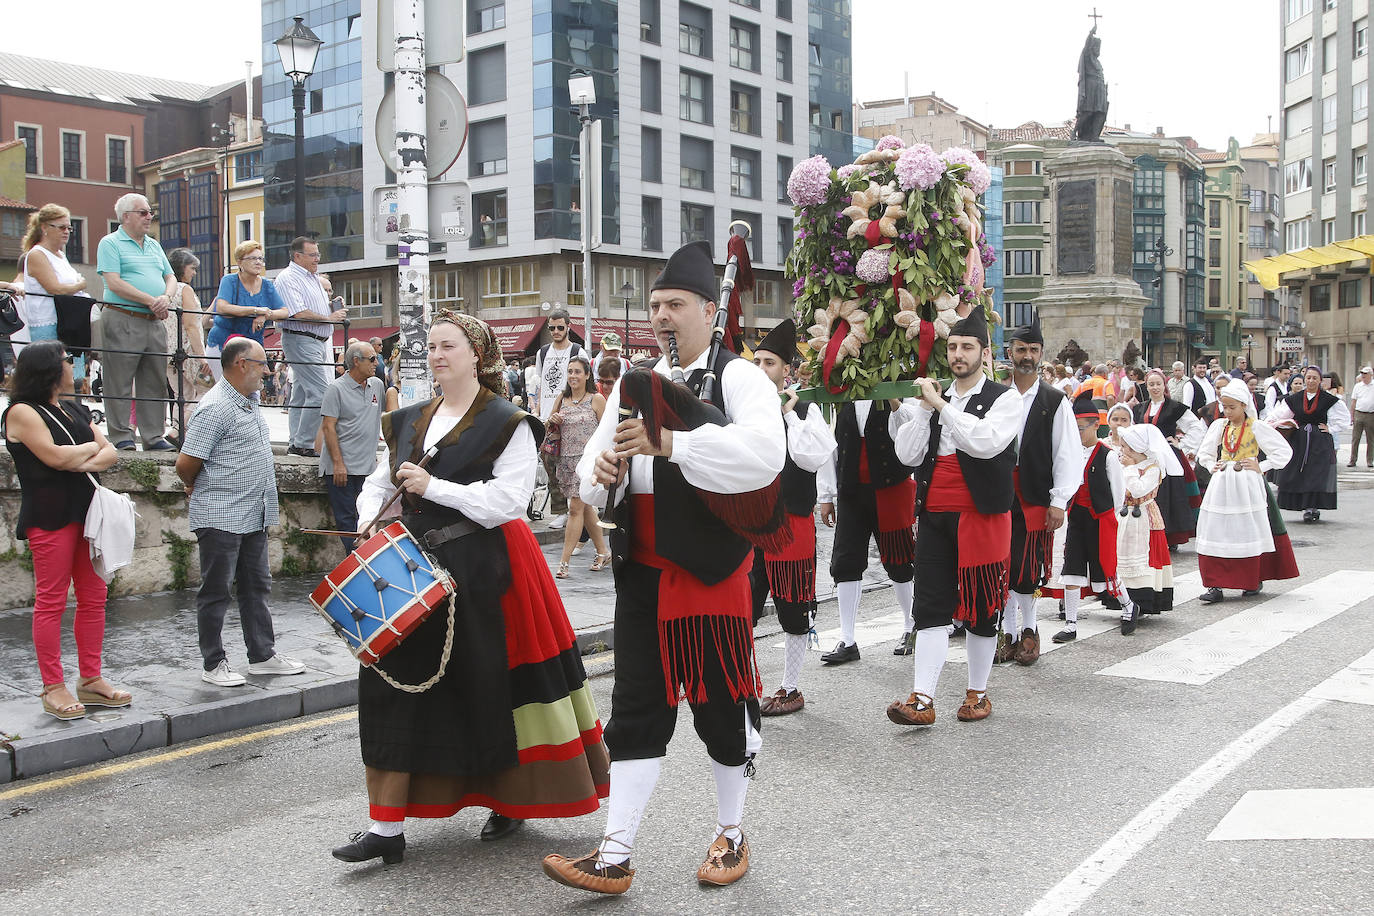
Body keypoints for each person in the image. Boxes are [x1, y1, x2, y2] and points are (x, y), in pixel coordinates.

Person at [542, 240, 784, 894]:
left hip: (708, 571)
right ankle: (615, 854)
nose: (661, 316)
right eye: (654, 305)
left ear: (710, 309)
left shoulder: (737, 377)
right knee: (638, 708)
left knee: (718, 708)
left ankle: (732, 833)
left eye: (675, 304)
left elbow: (764, 457)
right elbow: (592, 479)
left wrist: (671, 442)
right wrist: (600, 476)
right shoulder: (632, 381)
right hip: (642, 572)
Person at [336, 310, 608, 864]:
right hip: (408, 569)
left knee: (488, 690)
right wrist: (370, 518)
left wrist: (436, 485)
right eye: (431, 346)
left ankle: (507, 801)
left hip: (481, 569)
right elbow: (376, 480)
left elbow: (510, 503)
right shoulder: (408, 417)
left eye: (449, 346)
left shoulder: (508, 421)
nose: (437, 355)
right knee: (390, 687)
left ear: (477, 355)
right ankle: (385, 828)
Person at [884, 313, 1019, 727]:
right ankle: (922, 699)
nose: (958, 355)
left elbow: (985, 443)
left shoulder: (1004, 398)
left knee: (980, 607)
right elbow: (906, 455)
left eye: (967, 347)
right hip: (935, 513)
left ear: (984, 352)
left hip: (980, 515)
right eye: (953, 347)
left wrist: (941, 404)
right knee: (931, 606)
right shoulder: (934, 400)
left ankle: (977, 693)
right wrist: (924, 411)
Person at [2, 340, 127, 719]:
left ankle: (90, 680)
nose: (72, 365)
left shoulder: (74, 408)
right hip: (49, 515)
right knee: (51, 602)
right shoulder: (22, 412)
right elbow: (52, 457)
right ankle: (52, 686)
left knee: (93, 597)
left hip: (86, 513)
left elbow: (111, 452)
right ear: (49, 368)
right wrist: (85, 455)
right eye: (66, 360)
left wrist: (76, 460)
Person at [175, 336, 307, 687]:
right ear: (241, 364)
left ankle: (262, 655)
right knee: (216, 590)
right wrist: (199, 486)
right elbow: (186, 464)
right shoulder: (215, 406)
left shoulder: (249, 403)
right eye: (261, 363)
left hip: (253, 513)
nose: (267, 371)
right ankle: (213, 663)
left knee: (256, 586)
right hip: (221, 513)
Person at [748, 320, 835, 714]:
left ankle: (790, 686)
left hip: (790, 525)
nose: (761, 368)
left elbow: (813, 456)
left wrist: (788, 415)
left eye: (769, 363)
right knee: (741, 609)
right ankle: (744, 682)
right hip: (750, 526)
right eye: (758, 361)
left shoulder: (808, 407)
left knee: (793, 608)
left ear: (787, 370)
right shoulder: (744, 410)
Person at [996, 318, 1080, 667]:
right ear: (1010, 352)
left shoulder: (1054, 400)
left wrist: (1059, 500)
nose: (1026, 356)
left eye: (1033, 350)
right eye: (1021, 349)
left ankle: (1029, 630)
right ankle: (1009, 632)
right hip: (997, 493)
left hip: (1033, 494)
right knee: (999, 565)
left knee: (1026, 567)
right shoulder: (996, 393)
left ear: (1041, 354)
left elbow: (1066, 452)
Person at [820, 393, 917, 663]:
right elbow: (834, 447)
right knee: (845, 561)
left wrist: (895, 401)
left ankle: (911, 627)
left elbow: (908, 435)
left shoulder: (899, 391)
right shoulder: (844, 399)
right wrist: (826, 496)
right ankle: (848, 640)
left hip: (891, 488)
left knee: (899, 560)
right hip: (851, 490)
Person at [1195, 379, 1298, 603]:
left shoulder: (1256, 426)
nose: (1228, 411)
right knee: (1216, 529)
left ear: (1244, 405)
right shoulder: (1219, 426)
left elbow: (1283, 452)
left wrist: (1261, 466)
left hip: (1246, 485)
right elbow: (1204, 451)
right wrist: (1211, 463)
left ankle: (1251, 578)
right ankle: (1215, 584)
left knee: (1245, 529)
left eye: (1232, 407)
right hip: (1222, 483)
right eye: (1225, 406)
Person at [96, 193, 177, 452]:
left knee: (154, 379)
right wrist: (151, 300)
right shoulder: (110, 243)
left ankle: (153, 435)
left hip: (153, 319)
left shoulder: (154, 245)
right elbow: (114, 282)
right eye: (143, 212)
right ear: (126, 216)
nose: (149, 216)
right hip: (123, 316)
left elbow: (170, 276)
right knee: (118, 379)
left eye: (150, 212)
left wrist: (165, 297)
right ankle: (121, 435)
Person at [1053, 393, 1131, 641]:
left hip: (1100, 518)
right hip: (1077, 517)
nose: (1077, 433)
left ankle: (1129, 606)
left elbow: (1118, 492)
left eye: (1081, 428)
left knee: (1107, 568)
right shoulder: (1072, 453)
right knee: (1072, 568)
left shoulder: (1107, 455)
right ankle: (1071, 623)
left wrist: (1111, 516)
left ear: (1096, 425)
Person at [275, 237, 347, 458]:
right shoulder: (288, 278)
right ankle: (303, 443)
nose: (317, 259)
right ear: (298, 256)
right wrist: (329, 316)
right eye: (313, 255)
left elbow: (311, 309)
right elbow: (298, 312)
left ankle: (296, 442)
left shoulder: (313, 278)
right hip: (301, 338)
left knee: (301, 393)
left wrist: (331, 307)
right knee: (320, 393)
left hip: (314, 340)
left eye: (318, 254)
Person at [547, 353, 610, 576]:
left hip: (588, 462)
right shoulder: (561, 399)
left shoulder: (596, 399)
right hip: (566, 460)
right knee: (586, 508)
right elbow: (549, 427)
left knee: (575, 508)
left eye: (577, 372)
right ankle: (603, 551)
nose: (573, 376)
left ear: (587, 375)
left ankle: (564, 562)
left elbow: (606, 431)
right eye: (570, 372)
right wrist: (552, 420)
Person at [319, 341, 385, 554]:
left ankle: (364, 561)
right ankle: (358, 562)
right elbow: (328, 427)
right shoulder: (335, 389)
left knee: (367, 519)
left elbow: (389, 415)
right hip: (342, 468)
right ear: (356, 361)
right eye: (372, 359)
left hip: (367, 468)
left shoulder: (377, 386)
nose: (377, 362)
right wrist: (338, 464)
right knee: (347, 521)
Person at [21, 205, 92, 395]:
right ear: (44, 227)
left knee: (73, 378)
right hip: (48, 323)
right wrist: (80, 284)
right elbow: (55, 288)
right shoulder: (37, 254)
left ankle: (72, 412)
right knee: (51, 379)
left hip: (70, 324)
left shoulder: (60, 255)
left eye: (69, 228)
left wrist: (77, 285)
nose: (67, 232)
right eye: (61, 227)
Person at [1114, 424, 1180, 629]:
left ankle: (1143, 599)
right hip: (1125, 517)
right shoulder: (1124, 464)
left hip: (1144, 517)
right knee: (1123, 555)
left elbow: (1137, 490)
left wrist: (1130, 468)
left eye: (1125, 447)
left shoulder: (1153, 468)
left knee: (1145, 558)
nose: (1121, 450)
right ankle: (1123, 598)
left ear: (1136, 449)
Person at [1268, 365, 1352, 522]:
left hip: (1319, 441)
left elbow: (1344, 419)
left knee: (1316, 474)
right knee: (1298, 473)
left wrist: (1331, 428)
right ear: (1305, 379)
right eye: (1308, 378)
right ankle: (1302, 504)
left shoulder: (1329, 400)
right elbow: (1278, 414)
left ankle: (1313, 506)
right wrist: (1271, 424)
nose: (1311, 380)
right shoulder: (1294, 399)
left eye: (1315, 378)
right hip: (1299, 441)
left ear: (1320, 380)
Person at [1134, 369, 1205, 547]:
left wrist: (1182, 444)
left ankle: (1169, 536)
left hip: (1167, 457)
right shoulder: (1140, 408)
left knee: (1168, 495)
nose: (1155, 387)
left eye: (1158, 384)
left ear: (1164, 386)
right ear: (1147, 386)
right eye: (1151, 384)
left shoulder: (1174, 407)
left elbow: (1196, 427)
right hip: (1146, 457)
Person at [207, 240, 289, 380]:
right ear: (239, 262)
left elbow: (284, 312)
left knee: (252, 390)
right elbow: (222, 307)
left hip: (252, 347)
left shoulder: (267, 285)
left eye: (260, 258)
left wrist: (266, 315)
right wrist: (256, 311)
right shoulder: (229, 280)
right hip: (223, 343)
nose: (258, 262)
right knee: (226, 389)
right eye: (252, 258)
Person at [532, 308, 583, 528]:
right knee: (550, 462)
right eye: (551, 328)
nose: (555, 331)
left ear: (568, 327)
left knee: (570, 464)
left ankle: (577, 507)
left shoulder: (578, 351)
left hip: (570, 416)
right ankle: (561, 509)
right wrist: (538, 410)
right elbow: (541, 383)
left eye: (560, 327)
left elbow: (583, 383)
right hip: (547, 418)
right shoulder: (543, 352)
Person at [163, 248, 215, 434]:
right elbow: (192, 326)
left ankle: (176, 431)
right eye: (192, 268)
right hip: (186, 350)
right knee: (205, 391)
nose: (194, 273)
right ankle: (179, 431)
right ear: (182, 267)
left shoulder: (164, 288)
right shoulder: (185, 289)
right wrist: (202, 358)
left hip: (168, 351)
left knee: (181, 395)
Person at [1348, 365, 1374, 467]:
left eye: (1365, 374)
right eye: (1362, 374)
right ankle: (1353, 460)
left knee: (1370, 439)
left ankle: (1370, 460)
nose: (1363, 376)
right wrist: (1352, 415)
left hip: (1371, 414)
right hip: (1359, 413)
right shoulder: (1358, 386)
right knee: (1355, 438)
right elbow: (1353, 402)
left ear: (1370, 375)